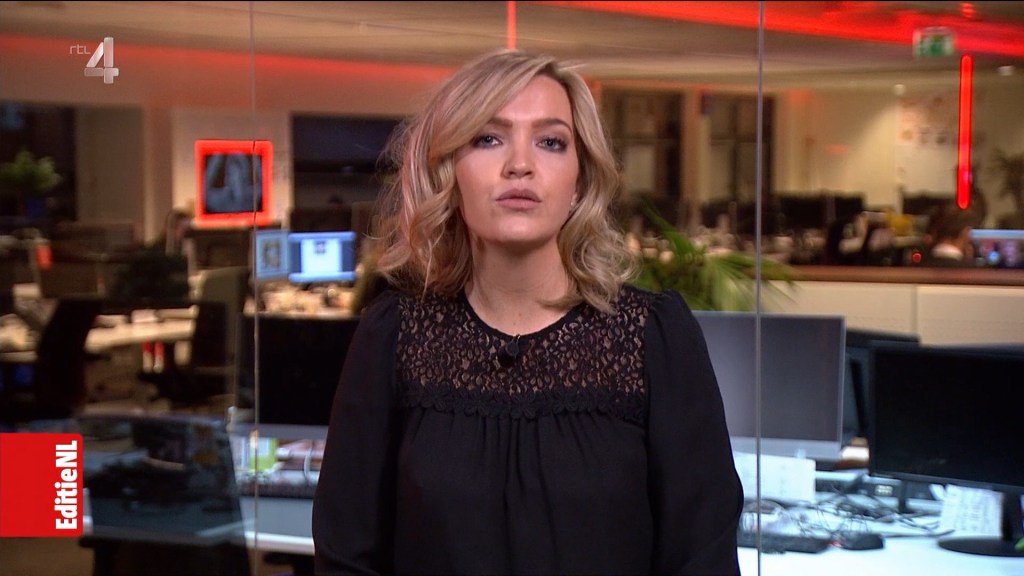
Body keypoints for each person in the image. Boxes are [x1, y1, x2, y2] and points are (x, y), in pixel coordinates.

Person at [311, 49, 742, 576]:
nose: (520, 164)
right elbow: (346, 555)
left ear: (580, 181)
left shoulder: (653, 338)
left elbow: (703, 557)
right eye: (488, 139)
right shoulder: (394, 336)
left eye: (550, 142)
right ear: (449, 172)